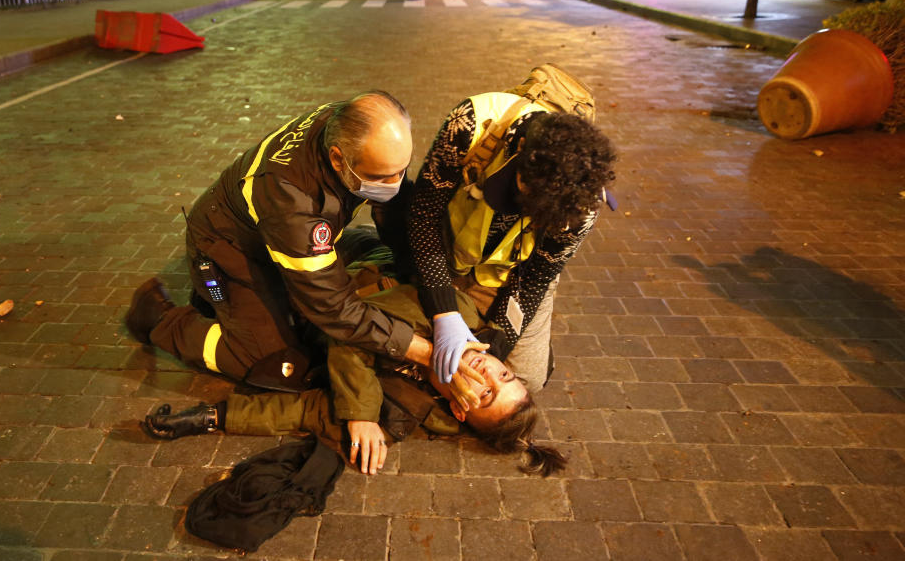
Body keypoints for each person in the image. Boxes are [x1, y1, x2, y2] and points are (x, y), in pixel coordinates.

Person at [141, 267, 566, 478]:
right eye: (503, 376)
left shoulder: (401, 412)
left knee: (256, 362)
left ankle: (155, 318)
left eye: (486, 394)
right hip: (349, 268)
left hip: (310, 318)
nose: (486, 373)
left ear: (458, 410)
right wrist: (363, 406)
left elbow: (305, 411)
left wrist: (213, 417)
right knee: (237, 283)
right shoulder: (460, 315)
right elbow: (355, 326)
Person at [124, 92, 420, 391]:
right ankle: (162, 320)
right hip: (230, 247)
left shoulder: (356, 124)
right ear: (337, 158)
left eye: (401, 170)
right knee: (276, 364)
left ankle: (249, 304)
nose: (394, 183)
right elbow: (333, 308)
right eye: (382, 177)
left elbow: (393, 204)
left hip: (285, 237)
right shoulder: (291, 197)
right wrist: (424, 351)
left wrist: (415, 269)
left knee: (373, 251)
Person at [407, 67, 616, 394]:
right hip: (447, 249)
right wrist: (443, 310)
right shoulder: (471, 123)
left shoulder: (581, 206)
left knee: (526, 382)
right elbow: (422, 216)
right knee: (417, 351)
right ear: (517, 150)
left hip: (511, 272)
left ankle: (524, 343)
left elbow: (534, 278)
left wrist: (495, 345)